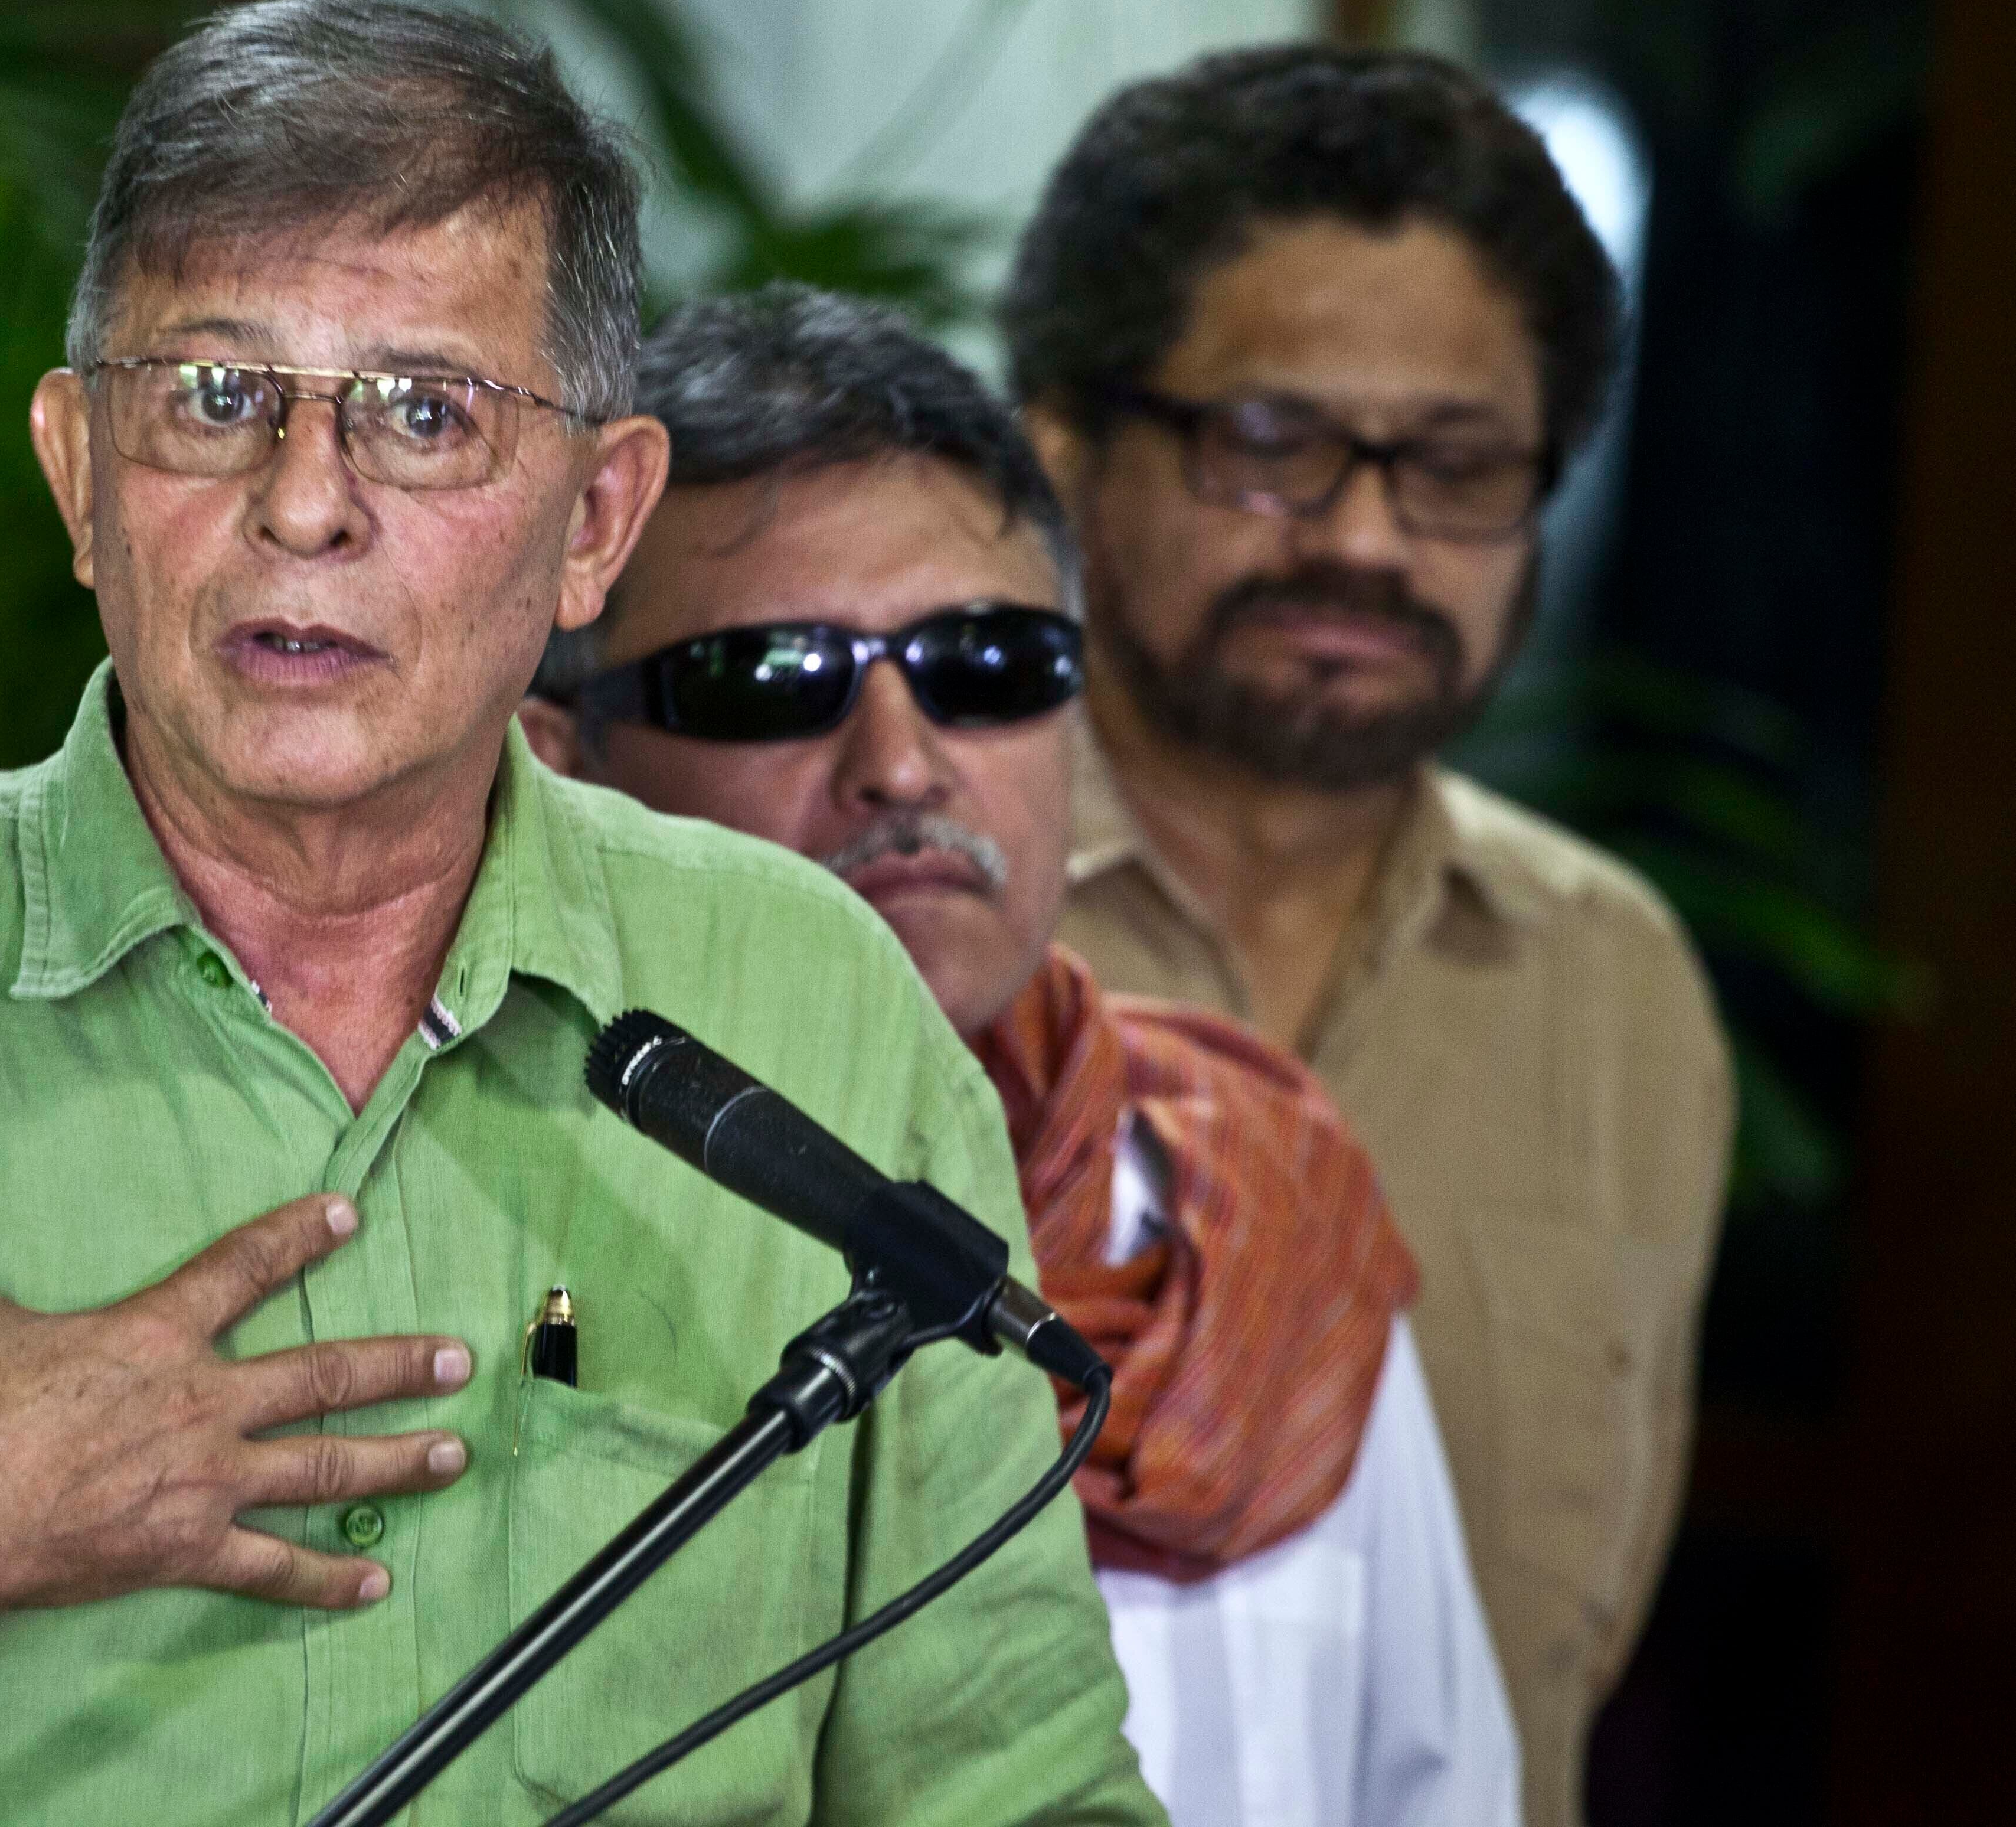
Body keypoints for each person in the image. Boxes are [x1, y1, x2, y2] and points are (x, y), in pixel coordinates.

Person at [0, 0, 1162, 1827]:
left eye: (425, 412)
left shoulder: (802, 1006)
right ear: (80, 474)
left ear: (594, 523)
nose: (301, 504)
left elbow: (1005, 1786)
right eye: (218, 395)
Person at [525, 285, 1520, 1827]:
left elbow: (1435, 1788)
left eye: (985, 663)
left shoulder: (1258, 1223)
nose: (902, 763)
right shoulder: (491, 1232)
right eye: (772, 675)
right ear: (558, 757)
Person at [996, 44, 1731, 1827]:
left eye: (1458, 464)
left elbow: (1574, 1638)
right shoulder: (885, 925)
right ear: (1059, 450)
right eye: (1271, 445)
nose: (1365, 536)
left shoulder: (1606, 983)